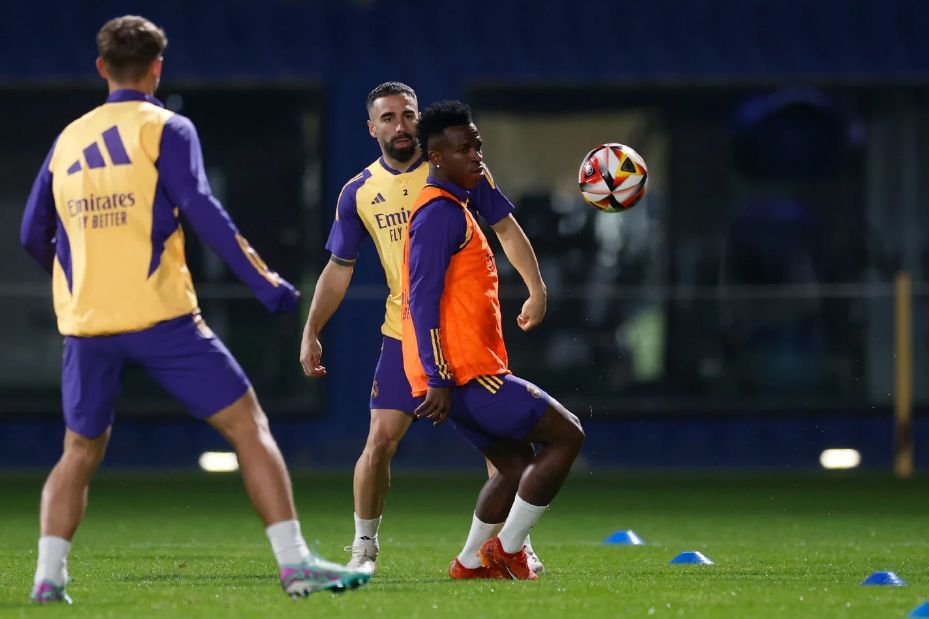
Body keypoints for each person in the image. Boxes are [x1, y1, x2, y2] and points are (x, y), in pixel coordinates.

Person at [19, 15, 370, 604]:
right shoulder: (167, 128)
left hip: (87, 326)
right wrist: (266, 285)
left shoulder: (69, 138)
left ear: (102, 68)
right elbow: (203, 210)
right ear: (157, 68)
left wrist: (82, 276)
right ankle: (294, 563)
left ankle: (48, 578)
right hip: (162, 318)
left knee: (78, 451)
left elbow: (34, 235)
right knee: (247, 427)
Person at [299, 82, 548, 574]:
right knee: (380, 441)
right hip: (404, 333)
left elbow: (504, 227)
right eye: (388, 118)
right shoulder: (359, 191)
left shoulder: (457, 169)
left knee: (499, 445)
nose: (400, 125)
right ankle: (364, 545)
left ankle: (507, 544)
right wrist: (311, 328)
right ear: (372, 128)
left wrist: (535, 286)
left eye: (407, 114)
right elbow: (339, 266)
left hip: (464, 332)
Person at [402, 100, 585, 580]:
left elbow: (505, 225)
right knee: (567, 435)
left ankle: (468, 564)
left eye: (478, 145)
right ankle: (508, 550)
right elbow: (420, 302)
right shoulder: (437, 215)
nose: (477, 156)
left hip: (464, 370)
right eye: (465, 149)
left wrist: (536, 288)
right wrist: (439, 375)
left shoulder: (463, 195)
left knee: (511, 468)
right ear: (437, 157)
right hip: (463, 372)